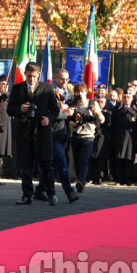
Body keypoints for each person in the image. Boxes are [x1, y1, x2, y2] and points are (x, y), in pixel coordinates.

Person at [7, 62, 60, 206]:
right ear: (25, 74)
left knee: (46, 163)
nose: (31, 79)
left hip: (42, 131)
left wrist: (48, 119)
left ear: (38, 75)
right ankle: (27, 195)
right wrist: (20, 109)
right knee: (26, 164)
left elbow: (55, 110)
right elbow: (10, 109)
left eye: (34, 76)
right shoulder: (18, 88)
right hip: (24, 131)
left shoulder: (47, 88)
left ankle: (51, 193)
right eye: (29, 76)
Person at [34, 69, 79, 203]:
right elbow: (49, 112)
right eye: (62, 79)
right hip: (51, 132)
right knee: (62, 163)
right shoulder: (49, 92)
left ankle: (40, 190)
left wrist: (74, 115)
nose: (65, 82)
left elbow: (68, 112)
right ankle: (69, 192)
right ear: (55, 78)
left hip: (62, 133)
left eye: (67, 79)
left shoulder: (68, 93)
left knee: (51, 165)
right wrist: (66, 114)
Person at [68, 82, 105, 193]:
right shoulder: (73, 105)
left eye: (82, 91)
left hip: (88, 136)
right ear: (74, 93)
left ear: (86, 92)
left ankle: (81, 180)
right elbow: (68, 120)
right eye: (78, 92)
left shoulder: (92, 103)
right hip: (76, 135)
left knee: (84, 159)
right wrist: (73, 122)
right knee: (77, 160)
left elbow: (102, 120)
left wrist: (97, 113)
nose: (80, 94)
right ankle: (79, 179)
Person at [111, 89, 137, 186]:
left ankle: (129, 179)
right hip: (120, 137)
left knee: (129, 158)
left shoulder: (136, 110)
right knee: (119, 158)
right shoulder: (117, 109)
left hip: (131, 138)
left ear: (132, 98)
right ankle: (119, 179)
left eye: (128, 97)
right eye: (124, 97)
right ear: (121, 98)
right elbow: (113, 124)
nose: (126, 99)